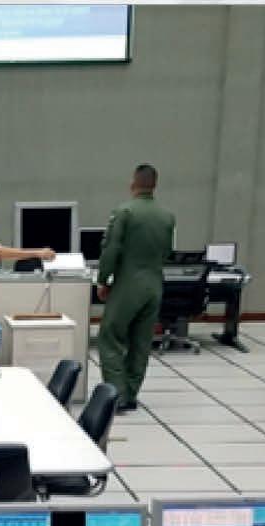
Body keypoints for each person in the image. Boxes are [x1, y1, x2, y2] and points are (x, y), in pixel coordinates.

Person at [96, 164, 175, 413]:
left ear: (133, 183)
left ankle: (116, 394)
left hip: (128, 285)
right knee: (141, 343)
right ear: (155, 185)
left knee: (110, 337)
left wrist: (103, 279)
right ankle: (131, 394)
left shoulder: (124, 212)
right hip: (154, 285)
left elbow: (112, 249)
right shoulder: (167, 216)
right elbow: (167, 252)